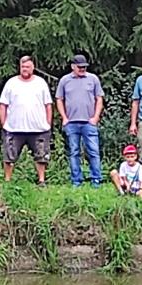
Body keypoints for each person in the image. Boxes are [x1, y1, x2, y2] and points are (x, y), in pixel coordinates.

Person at [0, 55, 53, 186]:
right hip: (14, 128)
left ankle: (41, 180)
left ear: (33, 67)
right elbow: (2, 104)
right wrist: (4, 124)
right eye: (23, 67)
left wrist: (48, 123)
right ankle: (8, 181)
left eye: (27, 66)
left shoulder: (41, 83)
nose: (25, 69)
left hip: (39, 128)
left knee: (41, 156)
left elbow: (48, 104)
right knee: (9, 156)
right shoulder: (11, 83)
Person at [56, 54, 104, 188]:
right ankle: (76, 180)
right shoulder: (65, 80)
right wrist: (64, 118)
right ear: (73, 67)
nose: (82, 69)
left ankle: (96, 180)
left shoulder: (93, 79)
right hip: (71, 122)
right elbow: (59, 99)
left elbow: (99, 98)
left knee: (93, 151)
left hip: (89, 123)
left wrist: (95, 117)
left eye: (84, 67)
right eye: (80, 67)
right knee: (74, 152)